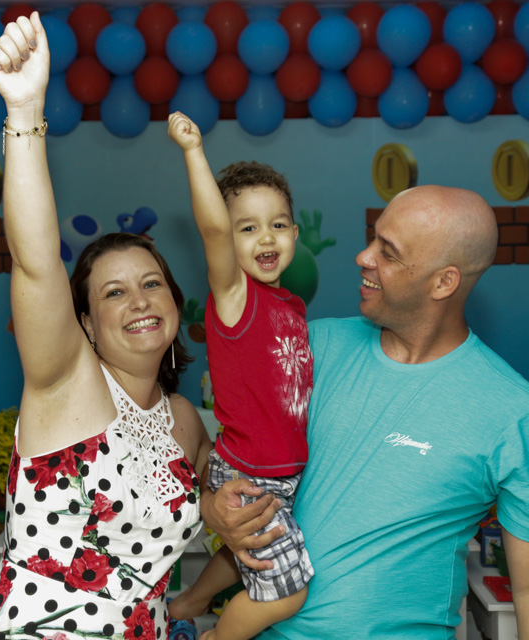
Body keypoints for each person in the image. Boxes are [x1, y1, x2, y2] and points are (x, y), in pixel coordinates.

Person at [202, 185, 529, 639]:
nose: (363, 256)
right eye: (372, 238)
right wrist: (212, 508)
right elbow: (237, 454)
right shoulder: (307, 346)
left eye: (389, 252)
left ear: (444, 282)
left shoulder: (519, 416)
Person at [0, 14, 211, 639]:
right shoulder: (65, 385)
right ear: (84, 320)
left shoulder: (183, 421)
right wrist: (25, 111)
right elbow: (34, 263)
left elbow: (234, 512)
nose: (139, 300)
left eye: (152, 282)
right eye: (114, 292)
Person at [166, 112, 313, 640]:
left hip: (280, 473)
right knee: (286, 590)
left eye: (277, 224)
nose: (266, 238)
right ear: (227, 241)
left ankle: (187, 604)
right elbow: (211, 228)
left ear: (295, 233)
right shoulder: (236, 298)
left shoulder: (290, 305)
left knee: (241, 552)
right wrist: (193, 152)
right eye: (246, 228)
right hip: (251, 476)